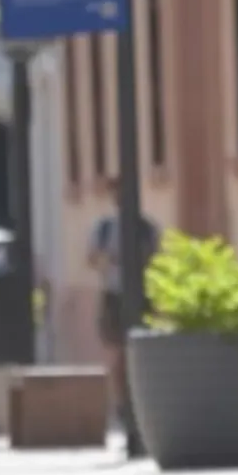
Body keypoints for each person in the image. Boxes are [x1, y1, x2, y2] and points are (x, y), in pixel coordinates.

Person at [86, 176, 159, 459]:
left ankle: (140, 416)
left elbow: (156, 256)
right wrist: (111, 259)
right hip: (114, 295)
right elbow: (92, 258)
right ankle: (122, 410)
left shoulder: (146, 227)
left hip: (140, 295)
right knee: (117, 357)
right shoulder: (104, 228)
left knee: (138, 356)